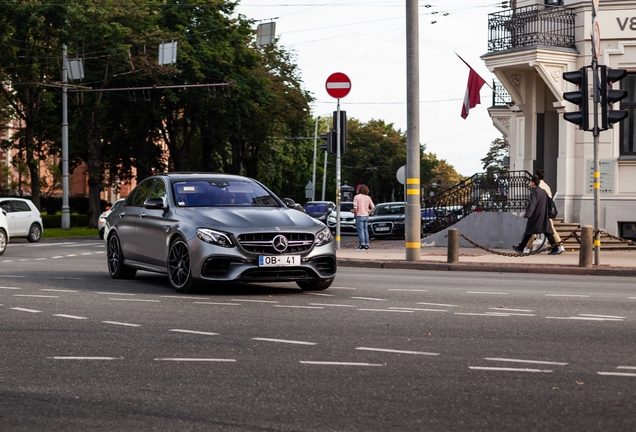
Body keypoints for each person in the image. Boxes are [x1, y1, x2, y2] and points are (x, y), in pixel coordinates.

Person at [512, 175, 561, 256]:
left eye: (531, 182)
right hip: (544, 215)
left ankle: (521, 247)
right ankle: (555, 248)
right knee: (547, 233)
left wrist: (528, 214)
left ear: (533, 183)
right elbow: (548, 203)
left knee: (529, 231)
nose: (530, 183)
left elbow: (532, 204)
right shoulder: (543, 192)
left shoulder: (534, 192)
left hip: (536, 216)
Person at [524, 169, 565, 255]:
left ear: (536, 177)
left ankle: (526, 248)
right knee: (550, 230)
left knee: (532, 230)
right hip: (546, 211)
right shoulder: (546, 186)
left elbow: (537, 201)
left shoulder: (539, 187)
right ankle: (559, 246)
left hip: (540, 212)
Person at [352, 184, 375, 250]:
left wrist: (355, 213)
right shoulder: (368, 197)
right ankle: (367, 245)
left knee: (360, 230)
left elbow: (355, 207)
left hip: (359, 215)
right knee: (365, 230)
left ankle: (362, 245)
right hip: (366, 216)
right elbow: (373, 207)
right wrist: (368, 213)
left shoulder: (356, 197)